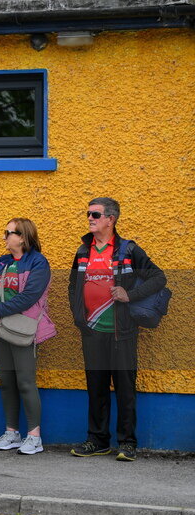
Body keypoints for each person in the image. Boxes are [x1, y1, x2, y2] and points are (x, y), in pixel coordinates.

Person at [68, 198, 166, 462]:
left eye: (95, 214)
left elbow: (159, 278)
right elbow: (73, 286)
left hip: (121, 332)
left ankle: (127, 442)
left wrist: (130, 294)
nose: (89, 218)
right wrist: (79, 317)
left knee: (124, 388)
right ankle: (97, 441)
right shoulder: (82, 251)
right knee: (96, 388)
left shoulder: (128, 249)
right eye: (88, 213)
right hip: (92, 331)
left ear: (111, 219)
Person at [0, 218, 55, 456]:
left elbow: (29, 296)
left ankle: (34, 436)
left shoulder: (38, 263)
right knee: (6, 381)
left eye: (8, 233)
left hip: (22, 330)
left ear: (22, 236)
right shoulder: (1, 262)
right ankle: (12, 432)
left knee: (25, 381)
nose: (4, 237)